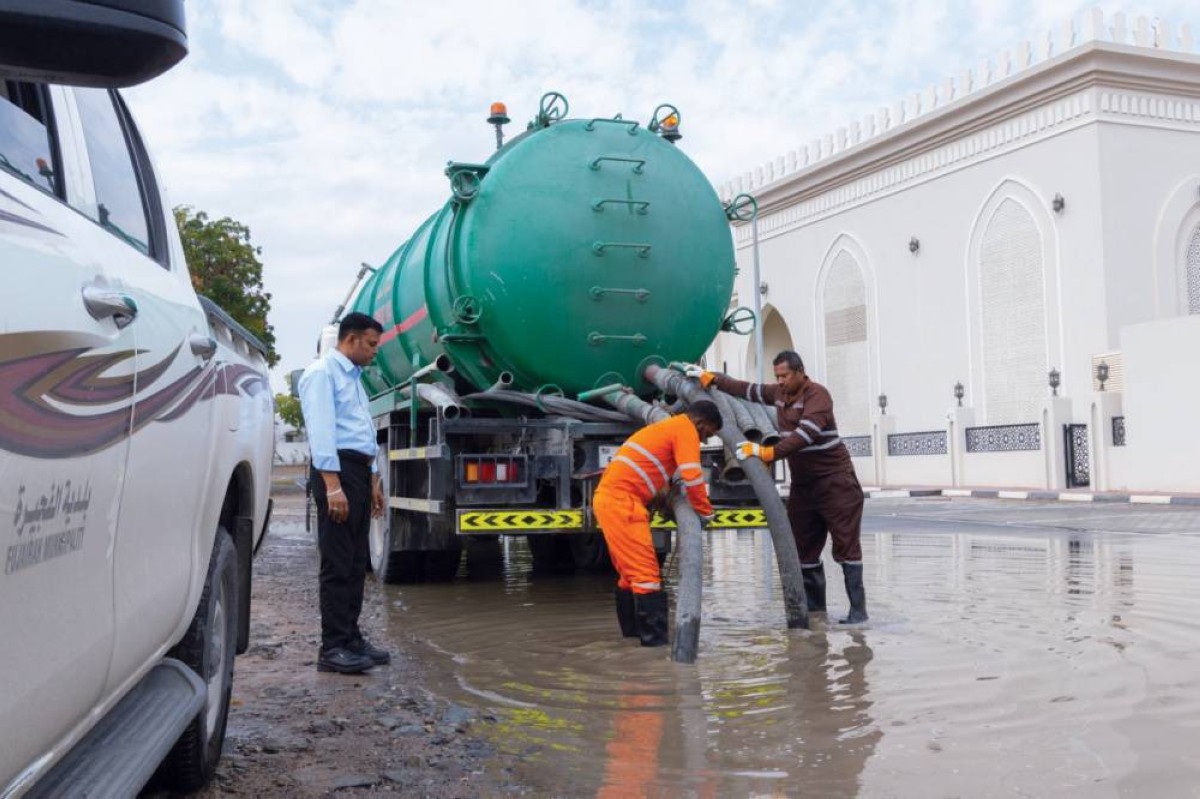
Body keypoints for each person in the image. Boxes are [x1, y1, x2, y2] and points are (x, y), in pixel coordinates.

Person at [686, 352, 868, 623]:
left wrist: (765, 453)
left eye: (785, 376)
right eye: (777, 377)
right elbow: (747, 390)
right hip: (804, 486)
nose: (780, 382)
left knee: (845, 546)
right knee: (803, 548)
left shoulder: (818, 396)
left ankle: (858, 612)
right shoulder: (779, 395)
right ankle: (816, 612)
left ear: (800, 372)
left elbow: (803, 436)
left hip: (836, 482)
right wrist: (714, 379)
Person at [298, 312, 390, 674]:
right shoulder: (322, 374)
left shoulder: (353, 378)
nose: (374, 353)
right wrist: (333, 486)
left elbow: (361, 431)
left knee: (355, 563)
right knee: (337, 562)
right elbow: (322, 433)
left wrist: (373, 480)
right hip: (335, 470)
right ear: (350, 339)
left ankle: (351, 638)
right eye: (370, 344)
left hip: (357, 471)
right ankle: (332, 647)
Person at [593, 401, 723, 647]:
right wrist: (705, 513)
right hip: (623, 504)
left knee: (630, 577)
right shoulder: (684, 429)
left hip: (612, 501)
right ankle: (655, 651)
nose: (704, 441)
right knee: (647, 577)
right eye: (707, 434)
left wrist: (661, 497)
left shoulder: (667, 428)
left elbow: (652, 474)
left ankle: (633, 646)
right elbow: (693, 478)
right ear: (698, 423)